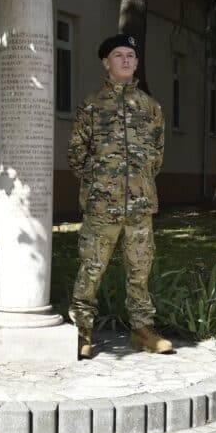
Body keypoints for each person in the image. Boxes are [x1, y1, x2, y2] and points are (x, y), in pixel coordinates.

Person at [67, 34, 171, 359]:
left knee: (140, 270)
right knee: (92, 268)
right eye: (118, 55)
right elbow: (76, 154)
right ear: (106, 62)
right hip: (102, 205)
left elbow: (157, 155)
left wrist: (139, 184)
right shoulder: (92, 105)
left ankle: (142, 330)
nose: (125, 60)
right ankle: (81, 331)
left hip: (140, 204)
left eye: (130, 55)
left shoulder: (150, 107)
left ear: (136, 63)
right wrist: (99, 184)